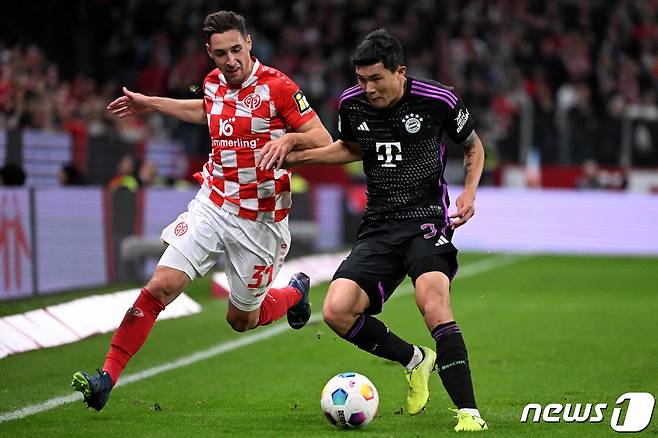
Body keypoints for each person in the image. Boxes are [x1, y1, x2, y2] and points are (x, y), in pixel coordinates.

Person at [72, 11, 332, 411]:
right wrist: (151, 103)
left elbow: (322, 138)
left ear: (248, 43)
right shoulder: (212, 84)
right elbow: (204, 109)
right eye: (220, 54)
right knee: (161, 286)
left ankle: (294, 293)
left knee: (241, 320)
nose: (230, 60)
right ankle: (106, 377)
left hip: (261, 221)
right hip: (212, 204)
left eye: (235, 50)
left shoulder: (277, 86)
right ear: (209, 54)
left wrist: (290, 141)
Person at [258, 29, 488, 432]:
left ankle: (469, 413)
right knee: (336, 310)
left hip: (426, 220)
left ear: (400, 72)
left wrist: (468, 194)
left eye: (375, 79)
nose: (367, 89)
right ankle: (415, 360)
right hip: (378, 225)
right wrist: (298, 156)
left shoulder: (439, 100)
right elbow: (350, 147)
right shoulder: (352, 104)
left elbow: (473, 146)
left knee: (432, 301)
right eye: (361, 80)